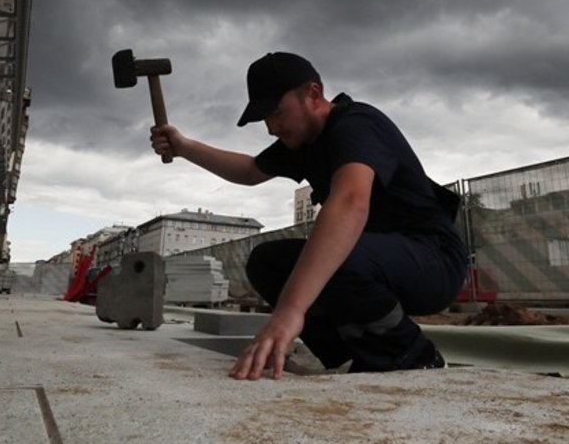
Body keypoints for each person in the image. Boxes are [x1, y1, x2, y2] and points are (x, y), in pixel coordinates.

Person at [150, 51, 468, 381]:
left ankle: (416, 357)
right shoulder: (302, 141)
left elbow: (350, 203)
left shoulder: (356, 125)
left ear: (313, 94)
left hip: (434, 260)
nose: (272, 128)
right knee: (268, 261)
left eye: (277, 112)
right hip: (378, 260)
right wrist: (184, 146)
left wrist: (290, 310)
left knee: (336, 253)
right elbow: (248, 170)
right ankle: (346, 358)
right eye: (265, 120)